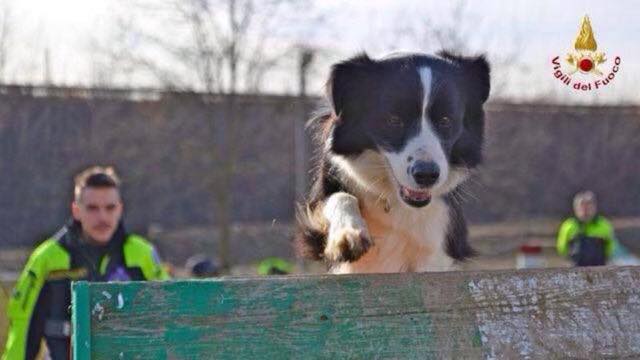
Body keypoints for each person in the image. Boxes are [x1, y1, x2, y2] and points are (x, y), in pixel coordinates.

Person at [3, 166, 170, 360]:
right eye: (92, 208)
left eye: (110, 208)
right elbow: (22, 327)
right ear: (76, 210)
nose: (102, 217)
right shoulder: (47, 258)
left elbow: (170, 315)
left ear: (120, 209)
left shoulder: (142, 255)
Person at [556, 191, 616, 267]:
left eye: (589, 205)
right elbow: (562, 249)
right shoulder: (568, 226)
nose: (585, 209)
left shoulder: (604, 225)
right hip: (576, 270)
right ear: (576, 208)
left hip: (599, 270)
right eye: (582, 206)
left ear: (594, 207)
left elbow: (611, 248)